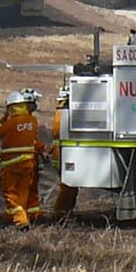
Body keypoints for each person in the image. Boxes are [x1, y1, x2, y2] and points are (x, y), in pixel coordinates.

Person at [0, 89, 48, 227]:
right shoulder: (33, 121)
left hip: (11, 163)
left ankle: (20, 219)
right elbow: (34, 141)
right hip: (28, 162)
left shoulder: (10, 123)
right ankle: (13, 216)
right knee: (24, 191)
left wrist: (4, 117)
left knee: (10, 191)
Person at [47, 91, 76, 219]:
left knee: (68, 186)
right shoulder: (62, 114)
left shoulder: (60, 113)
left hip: (59, 152)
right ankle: (60, 213)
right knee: (67, 186)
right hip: (61, 153)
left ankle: (64, 213)